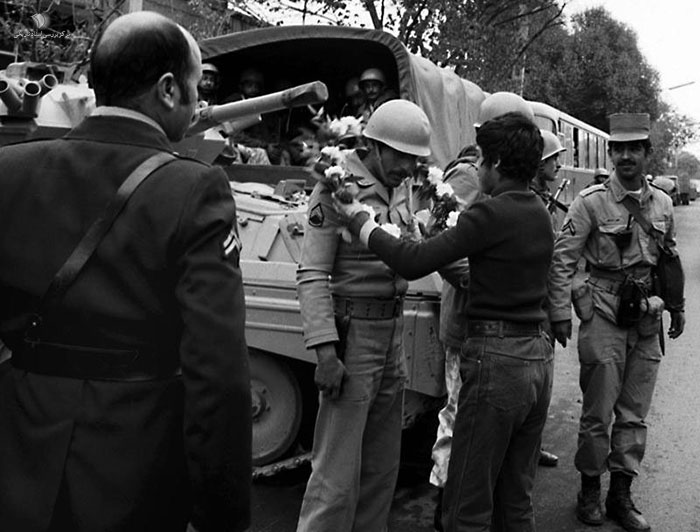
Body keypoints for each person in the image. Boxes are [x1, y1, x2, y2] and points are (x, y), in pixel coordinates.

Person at [0, 11, 251, 532]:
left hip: (18, 446)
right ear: (168, 89)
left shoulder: (10, 170)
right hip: (131, 466)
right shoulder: (194, 188)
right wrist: (220, 512)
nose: (198, 102)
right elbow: (217, 370)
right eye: (195, 86)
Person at [335, 112, 554, 532]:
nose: (478, 169)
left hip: (497, 363)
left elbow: (411, 263)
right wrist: (430, 238)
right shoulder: (538, 212)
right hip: (536, 359)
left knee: (467, 502)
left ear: (497, 164)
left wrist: (362, 224)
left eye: (482, 160)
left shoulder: (489, 214)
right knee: (515, 498)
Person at [295, 99, 431, 532]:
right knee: (335, 475)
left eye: (415, 159)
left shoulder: (400, 184)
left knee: (381, 467)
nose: (408, 167)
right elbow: (312, 273)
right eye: (401, 156)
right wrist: (325, 352)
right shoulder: (336, 185)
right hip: (352, 337)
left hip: (393, 333)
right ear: (374, 146)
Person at [548, 113, 685, 532]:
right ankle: (590, 490)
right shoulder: (590, 202)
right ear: (611, 153)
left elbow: (667, 258)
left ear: (647, 153)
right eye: (619, 149)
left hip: (645, 320)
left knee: (634, 413)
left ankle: (620, 495)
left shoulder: (662, 203)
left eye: (634, 149)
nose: (626, 156)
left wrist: (676, 306)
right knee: (597, 413)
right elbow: (563, 260)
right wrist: (563, 312)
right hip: (604, 314)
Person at [428, 143, 484, 532]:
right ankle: (444, 500)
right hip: (467, 317)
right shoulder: (469, 174)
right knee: (456, 414)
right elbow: (441, 236)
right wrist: (480, 282)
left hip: (486, 322)